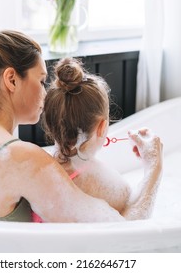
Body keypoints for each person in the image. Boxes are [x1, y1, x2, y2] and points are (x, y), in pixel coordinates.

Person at [0, 21, 162, 223]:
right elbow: (124, 233)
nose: (45, 93)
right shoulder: (22, 158)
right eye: (42, 80)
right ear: (12, 80)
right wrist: (154, 165)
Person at [39, 57, 163, 221]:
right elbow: (131, 228)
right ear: (102, 126)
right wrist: (155, 166)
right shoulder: (101, 184)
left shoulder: (37, 165)